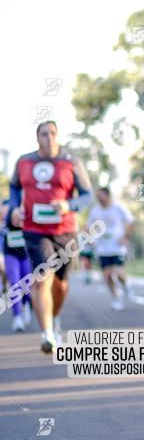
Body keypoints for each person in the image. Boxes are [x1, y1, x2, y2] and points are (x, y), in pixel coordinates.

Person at [9, 121, 92, 353]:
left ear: (58, 136)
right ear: (37, 138)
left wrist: (69, 204)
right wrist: (15, 208)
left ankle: (54, 318)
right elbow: (14, 188)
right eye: (44, 134)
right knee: (42, 277)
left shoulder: (71, 162)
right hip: (34, 230)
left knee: (61, 284)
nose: (49, 138)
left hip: (65, 231)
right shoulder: (24, 161)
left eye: (53, 133)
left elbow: (87, 195)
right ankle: (47, 334)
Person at [87, 187, 134, 310]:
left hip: (117, 247)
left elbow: (130, 221)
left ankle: (127, 286)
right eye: (97, 197)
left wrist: (126, 237)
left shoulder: (118, 207)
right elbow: (87, 227)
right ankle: (116, 298)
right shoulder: (95, 210)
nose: (99, 199)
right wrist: (90, 239)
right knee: (107, 275)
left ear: (108, 196)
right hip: (102, 248)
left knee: (119, 273)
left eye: (101, 196)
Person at [1, 198, 33, 332]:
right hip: (11, 255)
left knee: (26, 284)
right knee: (14, 283)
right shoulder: (3, 226)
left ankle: (27, 305)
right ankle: (17, 317)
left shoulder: (28, 221)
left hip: (26, 256)